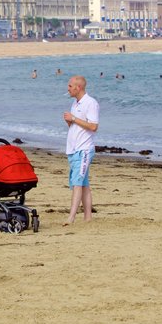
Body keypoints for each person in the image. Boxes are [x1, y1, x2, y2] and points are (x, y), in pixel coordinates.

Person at [62, 75, 100, 225]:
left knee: (77, 182)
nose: (68, 88)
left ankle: (71, 217)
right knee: (83, 184)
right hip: (73, 149)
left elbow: (93, 126)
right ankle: (88, 217)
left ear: (78, 87)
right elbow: (75, 126)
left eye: (70, 86)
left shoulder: (90, 103)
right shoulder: (75, 103)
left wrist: (73, 119)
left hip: (84, 149)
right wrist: (69, 121)